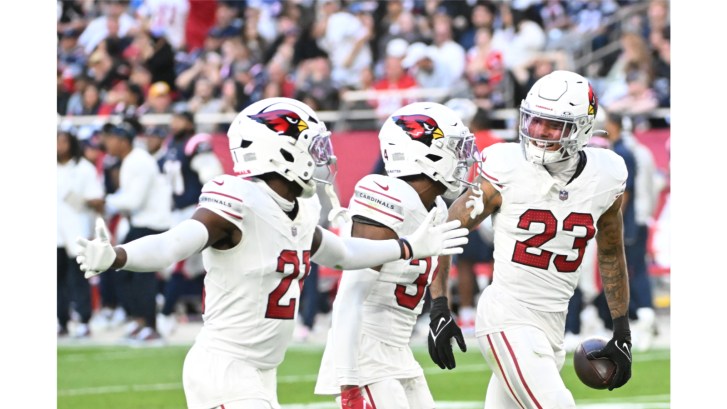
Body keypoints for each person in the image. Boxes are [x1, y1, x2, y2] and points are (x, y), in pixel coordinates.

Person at [75, 97, 469, 409]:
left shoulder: (300, 211)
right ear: (280, 151)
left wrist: (410, 247)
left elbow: (344, 253)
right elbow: (172, 243)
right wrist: (117, 256)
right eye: (312, 147)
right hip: (224, 367)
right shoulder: (238, 202)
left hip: (261, 371)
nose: (323, 158)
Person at [428, 70, 633, 408]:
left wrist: (622, 330)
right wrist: (438, 306)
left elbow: (611, 252)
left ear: (582, 128)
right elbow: (446, 231)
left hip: (552, 323)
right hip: (507, 316)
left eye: (552, 124)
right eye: (534, 120)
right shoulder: (506, 166)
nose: (538, 131)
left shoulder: (607, 175)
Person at [314, 102, 477, 408]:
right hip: (366, 356)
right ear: (424, 153)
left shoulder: (435, 206)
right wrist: (348, 385)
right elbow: (349, 296)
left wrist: (439, 306)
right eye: (456, 149)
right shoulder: (386, 198)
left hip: (398, 350)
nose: (463, 159)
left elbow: (437, 253)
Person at [87, 116, 173, 344]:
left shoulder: (138, 161)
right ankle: (140, 321)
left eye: (111, 138)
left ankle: (150, 326)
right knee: (126, 275)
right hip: (141, 223)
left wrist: (106, 202)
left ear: (124, 141)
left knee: (141, 277)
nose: (106, 143)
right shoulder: (130, 160)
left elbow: (135, 200)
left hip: (151, 224)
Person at [156, 111, 224, 338]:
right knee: (193, 267)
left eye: (178, 119)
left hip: (195, 209)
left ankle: (166, 314)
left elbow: (211, 173)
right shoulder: (170, 145)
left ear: (188, 122)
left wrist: (210, 201)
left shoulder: (196, 142)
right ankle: (202, 310)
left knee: (181, 264)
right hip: (176, 211)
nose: (173, 123)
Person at [57, 125, 105, 338]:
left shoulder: (84, 168)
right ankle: (61, 320)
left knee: (78, 278)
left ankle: (84, 320)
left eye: (63, 141)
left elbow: (97, 198)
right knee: (56, 279)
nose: (59, 146)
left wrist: (82, 201)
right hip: (55, 232)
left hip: (77, 230)